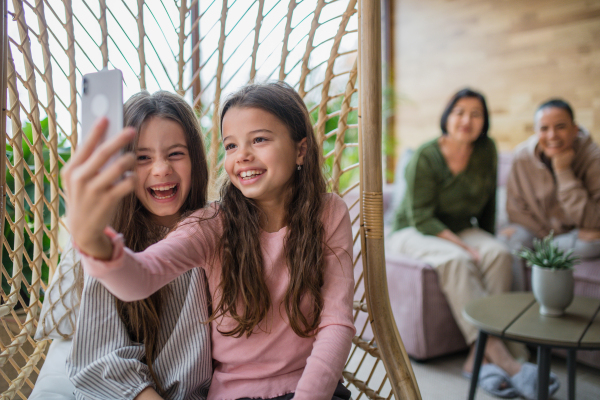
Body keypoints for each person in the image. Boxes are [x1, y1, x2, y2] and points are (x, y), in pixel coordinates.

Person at [62, 82, 355, 400]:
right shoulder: (212, 224)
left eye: (258, 139)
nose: (242, 155)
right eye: (231, 146)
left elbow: (336, 321)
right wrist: (92, 240)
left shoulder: (329, 212)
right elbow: (141, 275)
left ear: (300, 149)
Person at [387, 89, 551, 398]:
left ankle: (476, 358)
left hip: (462, 227)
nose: (467, 120)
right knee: (457, 261)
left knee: (499, 254)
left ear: (484, 122)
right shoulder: (426, 155)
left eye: (476, 114)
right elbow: (421, 217)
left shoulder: (486, 150)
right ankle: (507, 360)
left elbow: (488, 203)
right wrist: (463, 247)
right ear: (447, 117)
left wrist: (486, 237)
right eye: (460, 112)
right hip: (414, 230)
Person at [66, 91, 212, 400]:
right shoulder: (111, 247)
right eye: (143, 157)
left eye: (175, 154)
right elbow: (102, 357)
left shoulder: (215, 229)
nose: (161, 169)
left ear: (195, 161)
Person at [500, 99, 600, 291]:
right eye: (544, 128)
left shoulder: (592, 157)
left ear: (574, 129)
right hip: (539, 233)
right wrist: (545, 237)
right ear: (536, 131)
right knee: (509, 240)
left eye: (560, 127)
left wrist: (563, 171)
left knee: (594, 242)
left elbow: (595, 219)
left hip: (576, 234)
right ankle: (518, 306)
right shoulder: (522, 157)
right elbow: (515, 210)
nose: (552, 135)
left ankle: (546, 251)